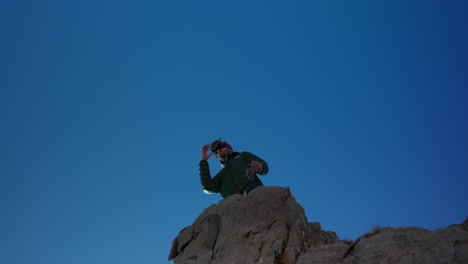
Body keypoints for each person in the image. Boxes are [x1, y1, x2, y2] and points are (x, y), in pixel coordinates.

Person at [199, 138, 269, 198]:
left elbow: (264, 167)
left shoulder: (243, 156)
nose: (218, 151)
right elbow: (207, 187)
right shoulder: (221, 176)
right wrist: (203, 161)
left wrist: (260, 167)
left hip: (251, 188)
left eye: (220, 147)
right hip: (234, 203)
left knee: (252, 192)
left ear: (229, 149)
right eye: (215, 152)